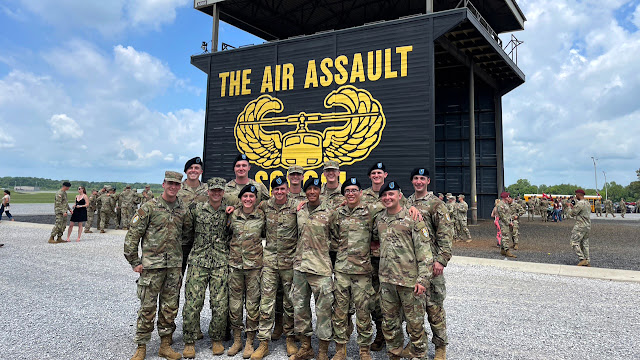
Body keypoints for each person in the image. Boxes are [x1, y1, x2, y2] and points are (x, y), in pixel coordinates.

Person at [124, 171, 193, 360]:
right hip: (151, 267)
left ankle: (165, 344)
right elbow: (133, 235)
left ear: (180, 187)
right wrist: (134, 261)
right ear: (163, 184)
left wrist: (180, 258)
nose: (173, 187)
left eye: (176, 184)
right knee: (147, 307)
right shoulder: (149, 207)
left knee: (169, 307)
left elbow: (187, 235)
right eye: (170, 183)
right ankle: (141, 346)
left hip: (173, 268)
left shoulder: (183, 209)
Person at [373, 181, 433, 360]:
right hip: (387, 281)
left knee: (415, 324)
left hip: (409, 282)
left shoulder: (412, 217)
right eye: (384, 195)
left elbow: (425, 252)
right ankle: (394, 354)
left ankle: (419, 355)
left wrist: (423, 280)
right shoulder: (380, 219)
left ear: (400, 196)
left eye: (391, 194)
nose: (387, 197)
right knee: (390, 323)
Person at [406, 168, 453, 360]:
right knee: (413, 309)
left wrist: (441, 260)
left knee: (434, 308)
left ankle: (440, 346)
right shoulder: (407, 202)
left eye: (422, 179)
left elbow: (446, 234)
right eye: (416, 178)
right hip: (411, 265)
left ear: (428, 181)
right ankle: (416, 343)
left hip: (431, 264)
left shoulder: (436, 204)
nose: (418, 182)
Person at [182, 178, 231, 358]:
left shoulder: (228, 212)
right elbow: (187, 234)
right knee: (193, 303)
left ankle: (216, 339)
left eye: (219, 190)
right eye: (213, 190)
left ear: (223, 192)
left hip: (220, 262)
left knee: (219, 304)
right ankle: (189, 341)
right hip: (198, 262)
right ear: (208, 191)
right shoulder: (196, 210)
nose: (216, 193)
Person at [330, 177, 377, 360]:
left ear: (361, 193)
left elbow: (392, 205)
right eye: (347, 190)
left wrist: (411, 208)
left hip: (362, 272)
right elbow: (332, 233)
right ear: (344, 194)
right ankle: (340, 349)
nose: (351, 193)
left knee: (363, 311)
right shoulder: (337, 213)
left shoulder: (370, 211)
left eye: (354, 190)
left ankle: (364, 350)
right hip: (342, 270)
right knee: (340, 311)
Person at [252, 176, 299, 360]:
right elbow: (248, 210)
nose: (279, 192)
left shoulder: (297, 206)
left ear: (287, 189)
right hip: (270, 262)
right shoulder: (265, 206)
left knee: (289, 302)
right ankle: (263, 342)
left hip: (289, 262)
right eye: (276, 189)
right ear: (272, 192)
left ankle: (290, 338)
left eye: (282, 189)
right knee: (267, 302)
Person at [290, 177, 336, 360]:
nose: (311, 192)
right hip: (300, 266)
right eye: (308, 189)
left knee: (324, 310)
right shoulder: (299, 210)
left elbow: (338, 236)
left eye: (315, 189)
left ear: (320, 191)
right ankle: (306, 346)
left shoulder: (330, 213)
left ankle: (323, 351)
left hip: (321, 268)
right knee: (300, 308)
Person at [227, 184, 266, 359]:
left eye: (251, 196)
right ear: (240, 199)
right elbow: (226, 235)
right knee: (235, 305)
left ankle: (250, 341)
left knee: (252, 305)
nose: (248, 199)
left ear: (256, 199)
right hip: (235, 266)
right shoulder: (232, 215)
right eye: (245, 196)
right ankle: (237, 340)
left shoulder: (262, 216)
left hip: (254, 267)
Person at [178, 156, 209, 277]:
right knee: (176, 279)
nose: (193, 170)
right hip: (180, 242)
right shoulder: (177, 189)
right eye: (190, 168)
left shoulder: (208, 189)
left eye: (197, 168)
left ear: (201, 171)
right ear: (185, 171)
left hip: (200, 243)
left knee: (196, 280)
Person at [568, 189, 591, 266]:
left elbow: (572, 214)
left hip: (580, 226)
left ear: (578, 194)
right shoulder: (587, 203)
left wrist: (569, 208)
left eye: (576, 194)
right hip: (587, 225)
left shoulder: (580, 203)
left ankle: (582, 259)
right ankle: (587, 260)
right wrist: (574, 207)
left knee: (574, 242)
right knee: (585, 243)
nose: (575, 196)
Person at [496, 192, 517, 258]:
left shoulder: (506, 204)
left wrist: (511, 220)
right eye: (508, 197)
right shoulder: (500, 205)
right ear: (505, 197)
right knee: (505, 237)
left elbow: (508, 214)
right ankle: (507, 251)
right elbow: (503, 216)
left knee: (504, 236)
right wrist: (508, 222)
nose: (509, 198)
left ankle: (502, 250)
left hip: (507, 222)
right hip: (504, 223)